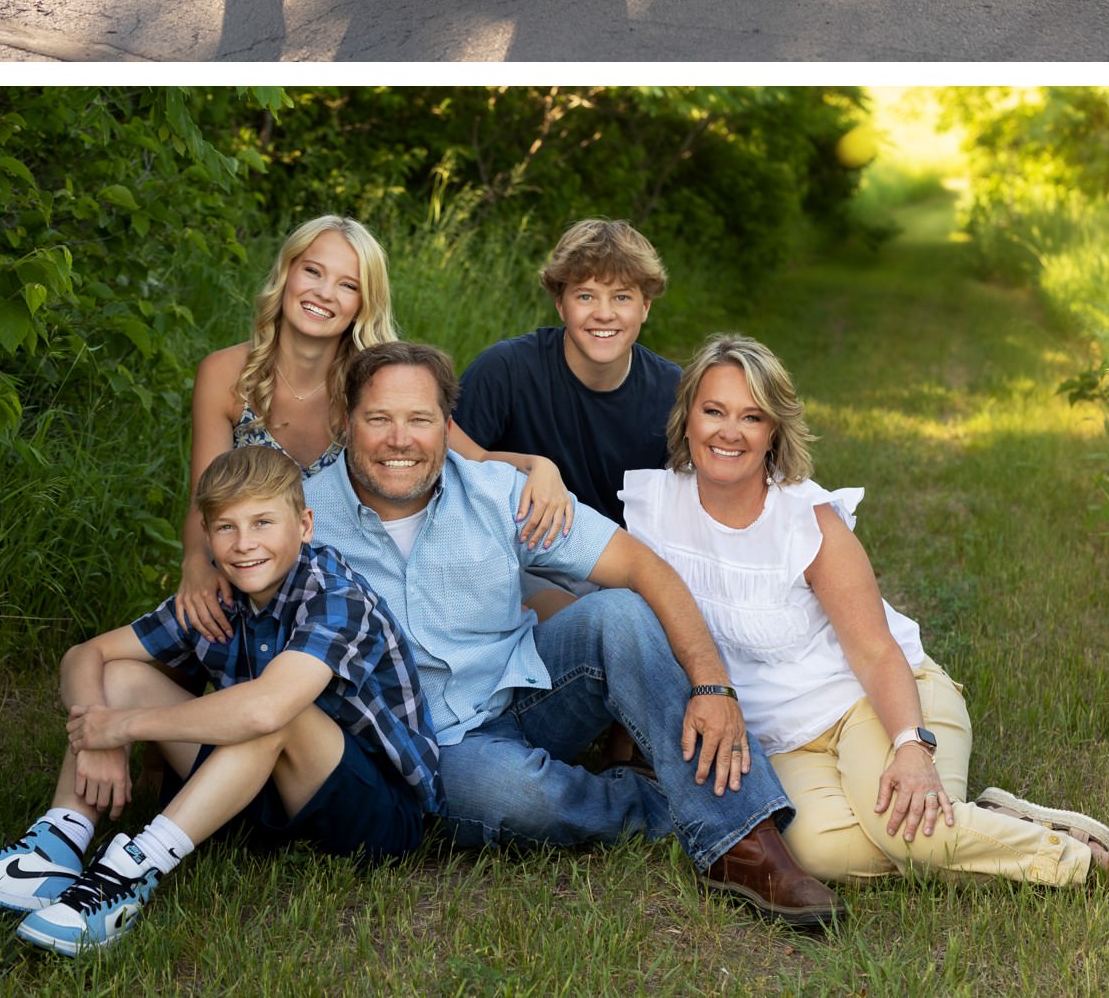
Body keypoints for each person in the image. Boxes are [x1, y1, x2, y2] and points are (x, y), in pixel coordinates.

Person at [304, 340, 842, 926]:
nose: (399, 439)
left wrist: (713, 685)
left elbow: (642, 567)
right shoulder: (302, 518)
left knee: (620, 613)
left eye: (420, 420)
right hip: (433, 747)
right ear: (345, 420)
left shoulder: (494, 492)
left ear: (447, 425)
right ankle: (660, 802)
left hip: (529, 689)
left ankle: (746, 844)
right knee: (514, 794)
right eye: (378, 418)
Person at [622, 333, 1109, 899]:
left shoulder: (806, 520)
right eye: (713, 411)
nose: (729, 432)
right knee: (815, 850)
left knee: (908, 834)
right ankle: (996, 821)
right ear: (686, 418)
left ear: (772, 433)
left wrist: (911, 746)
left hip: (877, 697)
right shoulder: (655, 511)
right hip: (785, 739)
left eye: (751, 417)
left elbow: (875, 651)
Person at [0, 446, 438, 955]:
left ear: (303, 526)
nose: (244, 543)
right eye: (227, 527)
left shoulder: (335, 596)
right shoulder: (215, 598)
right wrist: (95, 736)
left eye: (263, 523)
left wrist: (123, 728)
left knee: (274, 710)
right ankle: (55, 847)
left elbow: (264, 710)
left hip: (376, 816)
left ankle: (128, 875)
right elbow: (84, 656)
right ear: (207, 536)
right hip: (264, 791)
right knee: (118, 676)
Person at [175, 215, 572, 642]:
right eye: (313, 271)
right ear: (286, 272)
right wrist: (196, 564)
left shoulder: (375, 381)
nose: (324, 293)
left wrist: (540, 466)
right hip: (258, 566)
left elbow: (472, 457)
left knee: (565, 608)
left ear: (364, 303)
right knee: (174, 641)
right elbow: (207, 498)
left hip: (369, 567)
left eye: (348, 285)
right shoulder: (225, 375)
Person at [453, 218, 680, 527]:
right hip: (522, 557)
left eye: (622, 297)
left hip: (624, 561)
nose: (603, 314)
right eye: (585, 296)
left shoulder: (672, 391)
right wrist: (530, 466)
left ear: (645, 307)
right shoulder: (507, 369)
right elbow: (450, 458)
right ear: (560, 304)